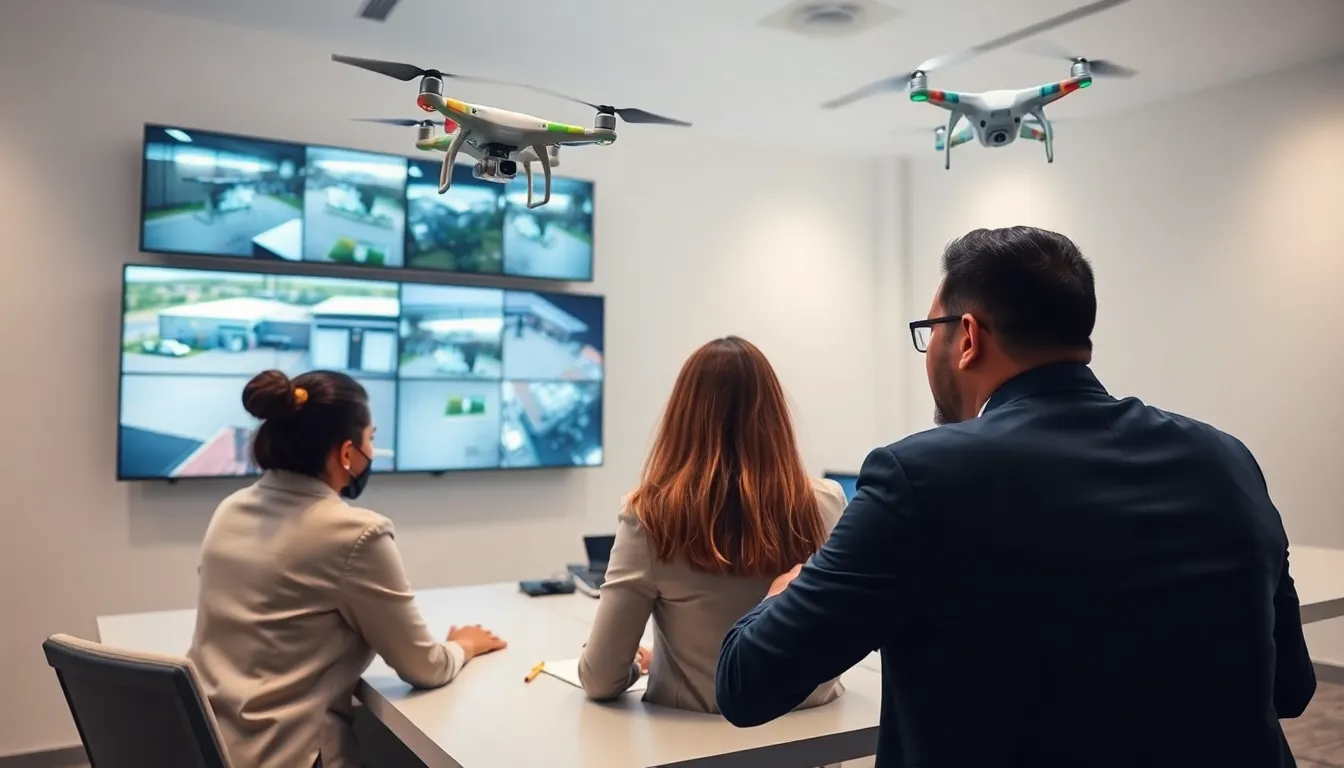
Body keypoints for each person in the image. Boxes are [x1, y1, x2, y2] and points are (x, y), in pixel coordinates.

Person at [715, 227, 1316, 767]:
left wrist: (784, 591)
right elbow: (1292, 689)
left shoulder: (920, 476)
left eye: (930, 334)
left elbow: (746, 683)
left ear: (968, 336)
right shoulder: (1227, 458)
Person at [187, 369, 506, 768]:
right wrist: (466, 644)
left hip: (211, 750)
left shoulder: (229, 510)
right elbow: (425, 667)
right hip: (291, 756)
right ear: (346, 453)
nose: (372, 450)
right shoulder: (356, 533)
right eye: (370, 439)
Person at [577, 336, 846, 715]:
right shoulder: (826, 502)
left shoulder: (650, 515)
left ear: (682, 417)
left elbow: (600, 678)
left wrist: (641, 666)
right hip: (813, 736)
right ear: (774, 416)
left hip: (699, 744)